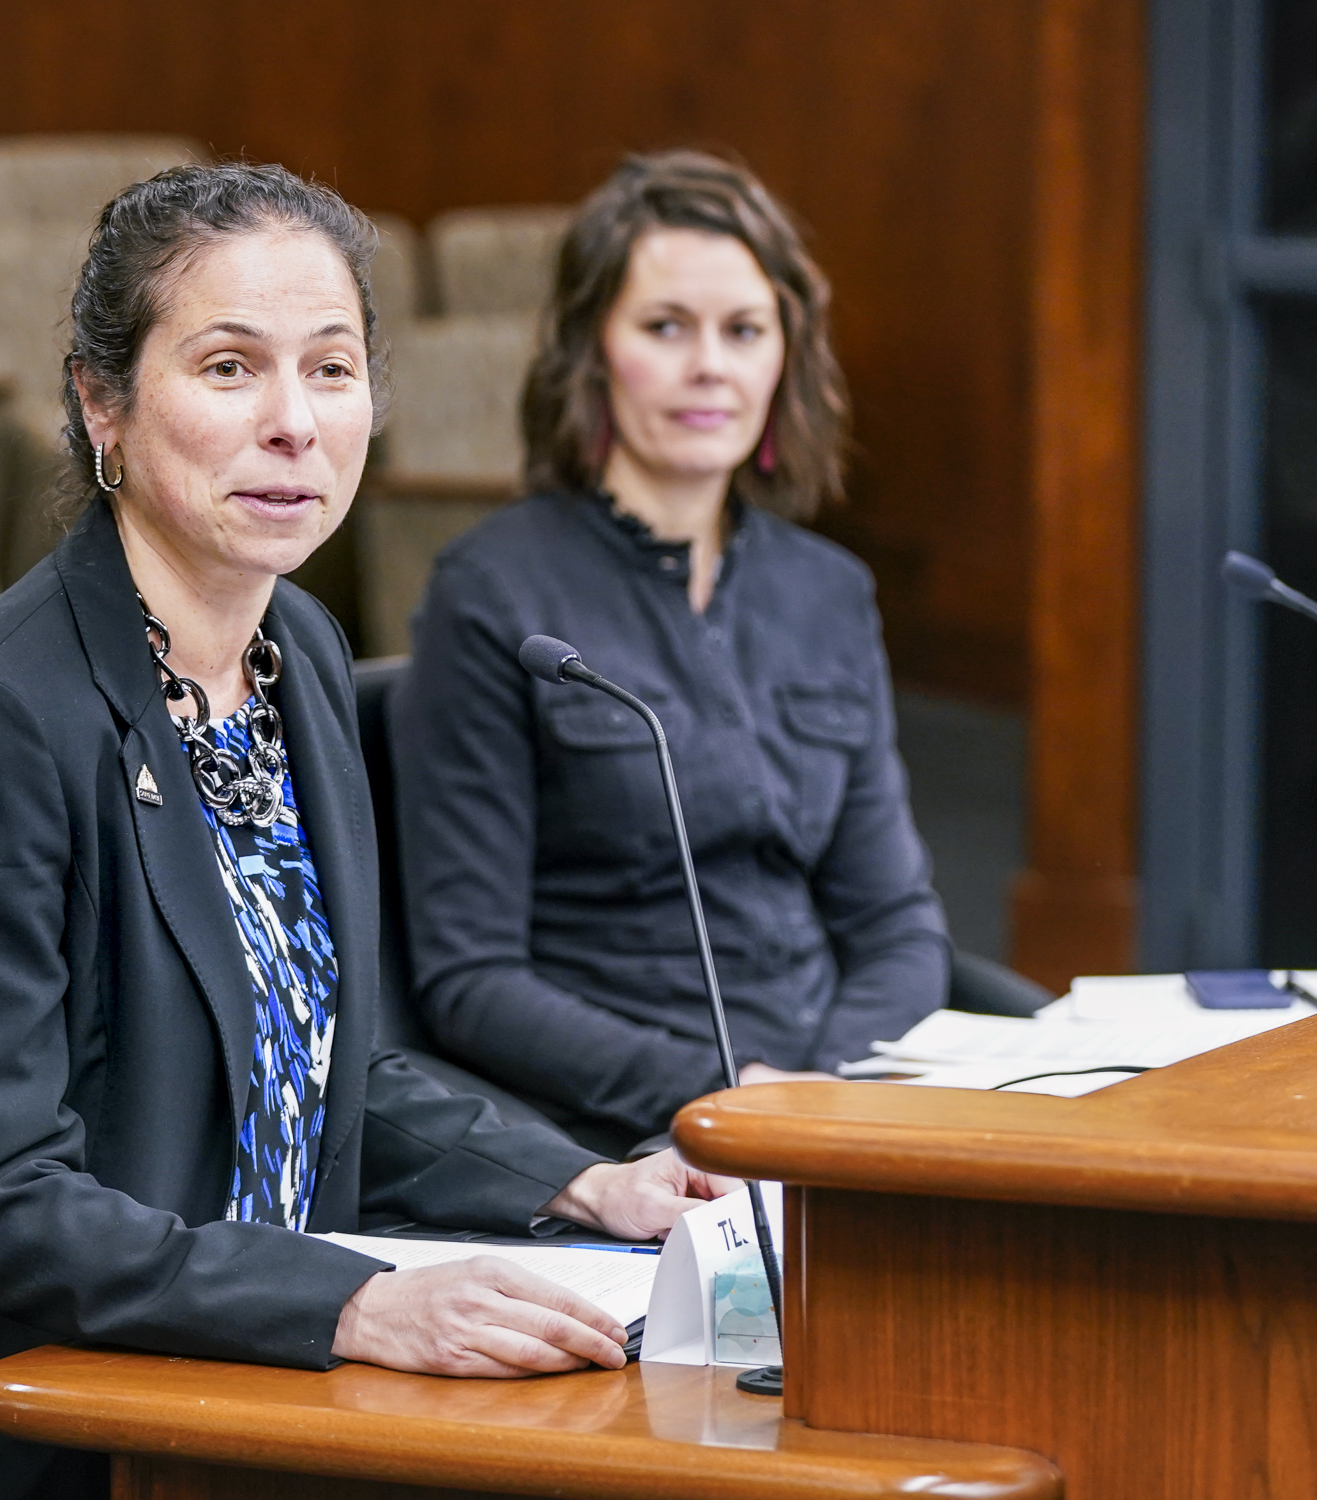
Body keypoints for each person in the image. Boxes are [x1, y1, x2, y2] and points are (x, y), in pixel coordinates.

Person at [0, 162, 736, 1500]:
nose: (295, 425)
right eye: (230, 369)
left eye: (331, 371)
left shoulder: (301, 653)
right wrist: (350, 1304)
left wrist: (582, 1183)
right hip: (17, 1415)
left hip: (235, 1390)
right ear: (99, 401)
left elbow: (322, 1061)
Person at [391, 151, 949, 1159]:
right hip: (628, 1135)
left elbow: (897, 925)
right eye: (665, 328)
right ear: (591, 351)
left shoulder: (830, 592)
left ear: (787, 355)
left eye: (744, 331)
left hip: (840, 1115)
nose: (711, 368)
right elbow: (471, 982)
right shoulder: (494, 593)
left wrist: (827, 1093)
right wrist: (732, 1092)